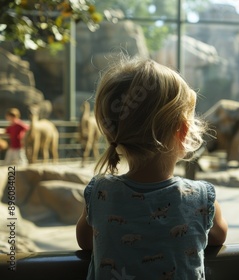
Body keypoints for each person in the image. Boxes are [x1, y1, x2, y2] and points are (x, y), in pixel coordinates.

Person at [76, 56, 228, 280]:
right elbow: (218, 236)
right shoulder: (200, 198)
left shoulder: (101, 192)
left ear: (111, 132)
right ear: (183, 131)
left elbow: (85, 241)